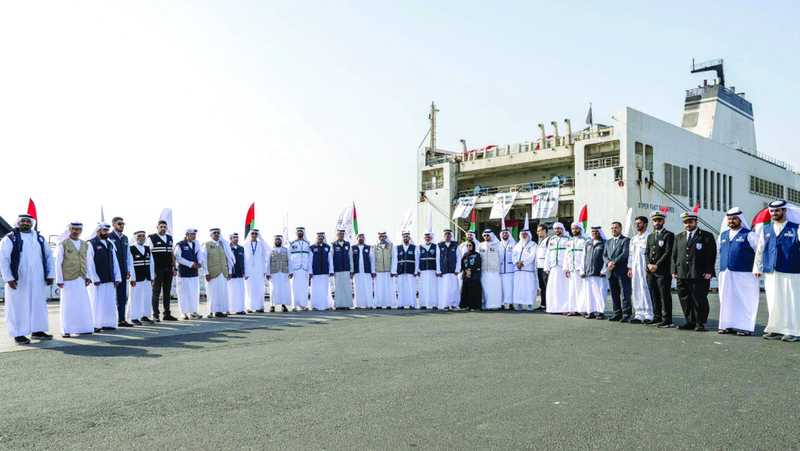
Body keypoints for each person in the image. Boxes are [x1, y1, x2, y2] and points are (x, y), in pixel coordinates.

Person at [0, 214, 55, 344]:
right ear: (18, 223)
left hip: (38, 278)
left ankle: (38, 331)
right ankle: (18, 333)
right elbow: (3, 259)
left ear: (31, 223)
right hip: (18, 279)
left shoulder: (39, 238)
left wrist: (50, 275)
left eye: (28, 221)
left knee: (38, 304)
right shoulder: (10, 238)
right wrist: (9, 278)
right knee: (18, 306)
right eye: (23, 221)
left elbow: (48, 257)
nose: (25, 223)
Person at [754, 200, 800, 341]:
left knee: (791, 300)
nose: (774, 213)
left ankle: (794, 331)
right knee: (773, 300)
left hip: (791, 270)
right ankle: (775, 329)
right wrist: (757, 267)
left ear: (784, 211)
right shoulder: (766, 229)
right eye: (772, 211)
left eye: (777, 210)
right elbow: (760, 249)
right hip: (771, 270)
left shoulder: (796, 228)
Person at [671, 211, 717, 331]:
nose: (688, 225)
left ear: (696, 222)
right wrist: (674, 270)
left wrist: (709, 271)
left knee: (699, 298)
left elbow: (711, 255)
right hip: (682, 272)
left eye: (690, 222)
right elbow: (674, 254)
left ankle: (699, 322)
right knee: (684, 298)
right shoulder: (679, 237)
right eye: (686, 222)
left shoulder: (706, 236)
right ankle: (690, 321)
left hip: (699, 273)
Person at [717, 208, 759, 336]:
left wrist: (758, 268)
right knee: (726, 300)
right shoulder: (723, 235)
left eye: (734, 219)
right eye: (729, 219)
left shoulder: (749, 235)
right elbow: (718, 251)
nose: (731, 221)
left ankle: (745, 327)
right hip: (726, 272)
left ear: (740, 219)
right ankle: (727, 325)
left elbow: (760, 252)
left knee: (744, 300)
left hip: (744, 273)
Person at [55, 222, 94, 338]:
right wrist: (59, 279)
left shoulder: (85, 244)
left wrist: (88, 276)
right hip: (68, 279)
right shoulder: (63, 244)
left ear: (81, 231)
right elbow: (58, 262)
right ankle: (66, 329)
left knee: (82, 303)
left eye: (77, 229)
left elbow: (88, 261)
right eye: (73, 229)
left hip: (81, 278)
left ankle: (84, 328)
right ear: (69, 230)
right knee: (68, 305)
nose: (75, 231)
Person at [86, 223, 122, 332]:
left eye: (107, 230)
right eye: (104, 230)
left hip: (109, 278)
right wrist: (94, 277)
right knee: (97, 303)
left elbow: (115, 261)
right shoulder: (91, 243)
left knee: (109, 303)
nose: (106, 232)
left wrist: (117, 277)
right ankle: (95, 324)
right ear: (98, 231)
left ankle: (108, 323)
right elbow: (89, 262)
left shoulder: (110, 244)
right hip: (98, 280)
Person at [646, 210, 675, 328]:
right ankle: (657, 316)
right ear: (652, 222)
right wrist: (649, 265)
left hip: (663, 270)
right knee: (654, 294)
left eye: (659, 220)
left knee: (664, 295)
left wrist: (656, 265)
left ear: (664, 221)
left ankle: (667, 319)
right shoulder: (650, 236)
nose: (657, 223)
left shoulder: (668, 235)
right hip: (651, 271)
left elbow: (668, 252)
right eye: (655, 221)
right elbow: (647, 252)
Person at [146, 220, 177, 322]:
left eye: (165, 227)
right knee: (156, 292)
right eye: (161, 227)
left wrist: (174, 267)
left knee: (167, 292)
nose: (163, 229)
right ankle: (155, 314)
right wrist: (152, 271)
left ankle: (167, 313)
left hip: (168, 269)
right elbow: (149, 254)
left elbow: (172, 253)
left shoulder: (170, 238)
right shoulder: (152, 238)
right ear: (157, 227)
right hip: (158, 269)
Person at [201, 228, 234, 318]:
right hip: (212, 272)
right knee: (212, 292)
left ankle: (219, 311)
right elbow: (204, 260)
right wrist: (206, 272)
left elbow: (229, 258)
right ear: (211, 234)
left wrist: (229, 271)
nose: (216, 234)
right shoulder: (207, 244)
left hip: (223, 272)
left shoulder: (224, 244)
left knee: (221, 292)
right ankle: (210, 311)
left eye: (218, 233)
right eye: (214, 233)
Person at [603, 221, 632, 322]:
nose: (614, 230)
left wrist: (613, 262)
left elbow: (625, 254)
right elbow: (604, 255)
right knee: (614, 294)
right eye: (612, 228)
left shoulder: (626, 240)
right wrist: (608, 263)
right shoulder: (608, 242)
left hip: (622, 271)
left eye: (616, 228)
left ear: (621, 229)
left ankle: (626, 314)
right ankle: (617, 313)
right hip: (611, 272)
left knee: (625, 294)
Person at [628, 216, 653, 324]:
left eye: (639, 223)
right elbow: (630, 254)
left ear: (645, 224)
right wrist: (630, 268)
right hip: (635, 267)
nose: (637, 225)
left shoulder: (649, 237)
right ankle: (639, 314)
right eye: (636, 223)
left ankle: (649, 314)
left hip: (644, 267)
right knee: (636, 288)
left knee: (645, 288)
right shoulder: (633, 239)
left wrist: (648, 268)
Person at [108, 217, 133, 327]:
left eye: (123, 224)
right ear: (113, 225)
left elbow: (127, 254)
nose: (122, 226)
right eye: (119, 224)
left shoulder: (125, 238)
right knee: (109, 297)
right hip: (111, 272)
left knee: (122, 297)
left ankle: (122, 320)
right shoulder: (109, 237)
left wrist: (128, 269)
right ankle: (108, 321)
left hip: (122, 271)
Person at [126, 231, 154, 325]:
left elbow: (151, 263)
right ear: (135, 238)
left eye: (143, 236)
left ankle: (145, 316)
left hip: (147, 277)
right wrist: (132, 278)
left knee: (146, 297)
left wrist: (152, 277)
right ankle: (134, 317)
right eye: (139, 236)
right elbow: (130, 264)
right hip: (136, 278)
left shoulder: (147, 249)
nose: (141, 238)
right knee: (135, 297)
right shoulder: (131, 249)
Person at [174, 228, 203, 319]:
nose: (194, 236)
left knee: (194, 293)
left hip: (194, 273)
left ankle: (194, 311)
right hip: (184, 273)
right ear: (187, 235)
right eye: (192, 234)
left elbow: (199, 255)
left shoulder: (196, 244)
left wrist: (200, 262)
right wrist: (190, 264)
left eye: (195, 234)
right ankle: (183, 313)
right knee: (183, 294)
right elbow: (178, 258)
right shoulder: (180, 245)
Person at [511, 215, 538, 311]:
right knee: (519, 288)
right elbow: (513, 255)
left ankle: (530, 304)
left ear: (529, 235)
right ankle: (519, 304)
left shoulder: (533, 244)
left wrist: (523, 263)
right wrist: (517, 262)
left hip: (528, 270)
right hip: (518, 271)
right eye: (522, 234)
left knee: (529, 288)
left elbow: (532, 255)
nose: (523, 236)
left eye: (525, 234)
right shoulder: (517, 245)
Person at [581, 226, 608, 319]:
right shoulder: (588, 243)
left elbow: (607, 258)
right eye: (593, 231)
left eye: (596, 231)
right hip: (588, 273)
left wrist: (604, 271)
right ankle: (590, 312)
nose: (594, 233)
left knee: (600, 293)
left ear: (600, 232)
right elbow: (583, 257)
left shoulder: (604, 243)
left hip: (599, 273)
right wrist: (582, 271)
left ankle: (601, 312)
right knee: (589, 294)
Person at [543, 223, 569, 313]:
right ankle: (553, 308)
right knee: (553, 288)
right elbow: (548, 254)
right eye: (555, 229)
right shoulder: (552, 240)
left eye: (559, 228)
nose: (557, 230)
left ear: (562, 229)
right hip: (553, 268)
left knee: (564, 288)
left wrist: (567, 267)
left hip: (563, 268)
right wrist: (546, 267)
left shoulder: (568, 239)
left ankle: (565, 308)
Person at [564, 222, 589, 316]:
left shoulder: (586, 240)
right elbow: (567, 254)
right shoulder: (570, 241)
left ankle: (584, 309)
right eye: (573, 229)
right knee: (572, 290)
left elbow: (587, 255)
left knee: (582, 290)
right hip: (572, 269)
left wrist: (585, 268)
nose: (574, 230)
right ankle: (574, 309)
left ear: (580, 229)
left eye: (576, 228)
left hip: (581, 269)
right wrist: (566, 267)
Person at [245, 230, 269, 312]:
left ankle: (259, 306)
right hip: (249, 270)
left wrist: (264, 270)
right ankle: (249, 306)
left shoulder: (261, 245)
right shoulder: (246, 244)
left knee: (259, 288)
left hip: (259, 269)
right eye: (252, 233)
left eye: (256, 234)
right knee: (249, 288)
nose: (254, 235)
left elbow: (265, 256)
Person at [437, 229, 461, 310]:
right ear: (444, 235)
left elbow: (458, 258)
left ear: (451, 235)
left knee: (453, 289)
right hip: (443, 271)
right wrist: (438, 271)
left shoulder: (455, 245)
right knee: (445, 289)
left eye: (449, 234)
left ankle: (454, 304)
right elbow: (438, 259)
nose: (447, 235)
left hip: (453, 271)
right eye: (446, 234)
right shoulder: (440, 246)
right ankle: (445, 304)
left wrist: (457, 269)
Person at [309, 232, 333, 310]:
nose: (320, 238)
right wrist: (310, 272)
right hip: (315, 272)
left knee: (325, 289)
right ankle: (315, 306)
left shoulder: (327, 247)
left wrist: (331, 270)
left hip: (325, 271)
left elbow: (330, 260)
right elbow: (310, 261)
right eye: (319, 236)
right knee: (315, 290)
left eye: (321, 236)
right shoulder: (312, 248)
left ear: (323, 238)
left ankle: (325, 305)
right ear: (317, 238)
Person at [479, 230, 502, 310]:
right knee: (485, 289)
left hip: (494, 271)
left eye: (488, 235)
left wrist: (495, 264)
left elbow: (501, 257)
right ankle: (485, 305)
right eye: (485, 235)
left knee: (493, 289)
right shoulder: (481, 245)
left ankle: (493, 305)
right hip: (484, 270)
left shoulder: (497, 244)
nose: (486, 237)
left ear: (491, 236)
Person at [289, 227, 312, 311]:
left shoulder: (307, 244)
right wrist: (290, 270)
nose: (299, 232)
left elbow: (310, 257)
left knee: (304, 287)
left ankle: (303, 305)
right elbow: (289, 258)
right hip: (295, 269)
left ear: (303, 232)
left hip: (304, 269)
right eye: (298, 231)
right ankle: (294, 305)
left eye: (301, 231)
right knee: (294, 287)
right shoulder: (292, 243)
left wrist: (310, 270)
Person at [267, 234, 291, 312]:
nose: (277, 241)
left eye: (279, 240)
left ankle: (283, 305)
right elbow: (268, 262)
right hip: (274, 273)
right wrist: (267, 273)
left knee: (283, 289)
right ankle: (272, 305)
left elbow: (289, 261)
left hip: (284, 273)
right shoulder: (270, 250)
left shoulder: (286, 250)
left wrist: (291, 272)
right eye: (276, 240)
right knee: (273, 289)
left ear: (281, 241)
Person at [395, 232, 419, 309]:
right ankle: (401, 304)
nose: (405, 238)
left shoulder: (414, 248)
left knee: (411, 288)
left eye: (407, 237)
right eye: (404, 237)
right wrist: (395, 271)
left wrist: (416, 271)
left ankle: (412, 304)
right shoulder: (398, 248)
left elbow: (417, 260)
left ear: (409, 238)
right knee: (401, 289)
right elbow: (395, 260)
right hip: (401, 271)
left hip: (410, 271)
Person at [352, 233, 375, 309]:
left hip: (367, 270)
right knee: (358, 287)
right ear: (357, 239)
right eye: (359, 237)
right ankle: (358, 304)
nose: (361, 238)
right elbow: (351, 260)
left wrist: (373, 271)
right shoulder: (353, 248)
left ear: (364, 239)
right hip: (357, 270)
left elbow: (372, 260)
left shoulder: (368, 248)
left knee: (368, 287)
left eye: (362, 237)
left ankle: (369, 304)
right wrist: (352, 270)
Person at [332, 230, 353, 309]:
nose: (341, 235)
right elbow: (331, 258)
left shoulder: (347, 244)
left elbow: (350, 257)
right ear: (337, 235)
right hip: (337, 269)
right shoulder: (334, 245)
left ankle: (347, 305)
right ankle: (338, 305)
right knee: (338, 288)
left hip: (346, 269)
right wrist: (332, 270)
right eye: (340, 234)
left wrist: (352, 269)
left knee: (346, 288)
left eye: (342, 234)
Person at [374, 232, 396, 309]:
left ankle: (388, 304)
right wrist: (373, 271)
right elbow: (373, 259)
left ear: (386, 237)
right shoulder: (375, 247)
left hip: (388, 271)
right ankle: (379, 304)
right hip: (378, 271)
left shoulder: (391, 246)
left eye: (383, 236)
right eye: (380, 237)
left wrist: (393, 271)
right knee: (379, 288)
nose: (382, 238)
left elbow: (394, 258)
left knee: (389, 288)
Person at [418, 231, 439, 309]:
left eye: (429, 237)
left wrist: (438, 270)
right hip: (423, 271)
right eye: (426, 237)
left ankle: (434, 304)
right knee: (423, 288)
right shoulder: (420, 247)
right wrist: (418, 270)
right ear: (424, 238)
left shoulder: (435, 247)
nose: (427, 239)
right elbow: (417, 259)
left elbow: (438, 259)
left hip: (433, 271)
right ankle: (423, 304)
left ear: (431, 238)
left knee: (433, 288)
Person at [459, 240, 482, 310]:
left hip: (474, 275)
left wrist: (471, 271)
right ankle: (465, 305)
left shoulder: (477, 255)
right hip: (466, 275)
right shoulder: (465, 255)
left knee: (474, 291)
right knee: (466, 291)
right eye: (467, 245)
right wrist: (466, 271)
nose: (469, 247)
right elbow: (462, 264)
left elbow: (477, 264)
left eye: (470, 245)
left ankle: (474, 306)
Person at [227, 233, 246, 315]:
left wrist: (245, 272)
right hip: (231, 274)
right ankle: (228, 309)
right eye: (234, 237)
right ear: (230, 239)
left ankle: (239, 309)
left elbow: (244, 261)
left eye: (236, 237)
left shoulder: (241, 248)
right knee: (230, 293)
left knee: (240, 293)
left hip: (240, 274)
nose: (235, 239)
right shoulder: (227, 248)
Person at [499, 226, 516, 310]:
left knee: (510, 288)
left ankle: (511, 303)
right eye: (503, 233)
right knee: (501, 288)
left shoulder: (513, 244)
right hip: (501, 270)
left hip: (510, 270)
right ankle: (501, 303)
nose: (505, 234)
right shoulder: (498, 244)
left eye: (506, 233)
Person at [535, 224, 551, 310]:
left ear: (544, 231)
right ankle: (543, 304)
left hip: (545, 267)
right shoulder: (541, 241)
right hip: (539, 267)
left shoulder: (548, 240)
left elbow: (549, 254)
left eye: (539, 231)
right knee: (542, 287)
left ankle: (549, 304)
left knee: (547, 286)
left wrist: (547, 267)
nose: (537, 233)